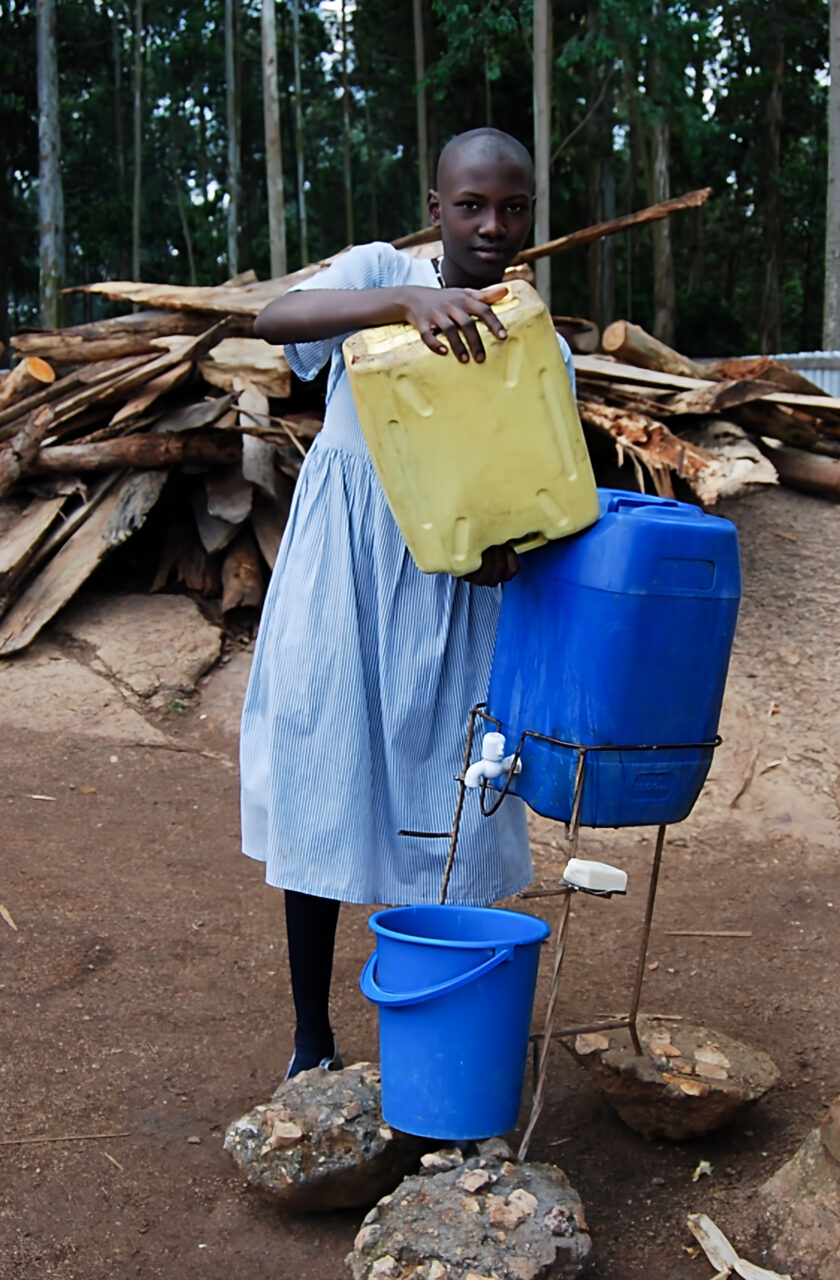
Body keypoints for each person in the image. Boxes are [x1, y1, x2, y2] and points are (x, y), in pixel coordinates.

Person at [240, 127, 577, 1078]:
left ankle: (443, 1045)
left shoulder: (533, 334)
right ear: (437, 210)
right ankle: (312, 1042)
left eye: (512, 207)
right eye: (471, 204)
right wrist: (407, 299)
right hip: (341, 575)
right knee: (324, 779)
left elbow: (545, 494)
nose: (492, 224)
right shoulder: (381, 272)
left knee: (452, 800)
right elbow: (274, 319)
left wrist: (504, 559)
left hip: (453, 599)